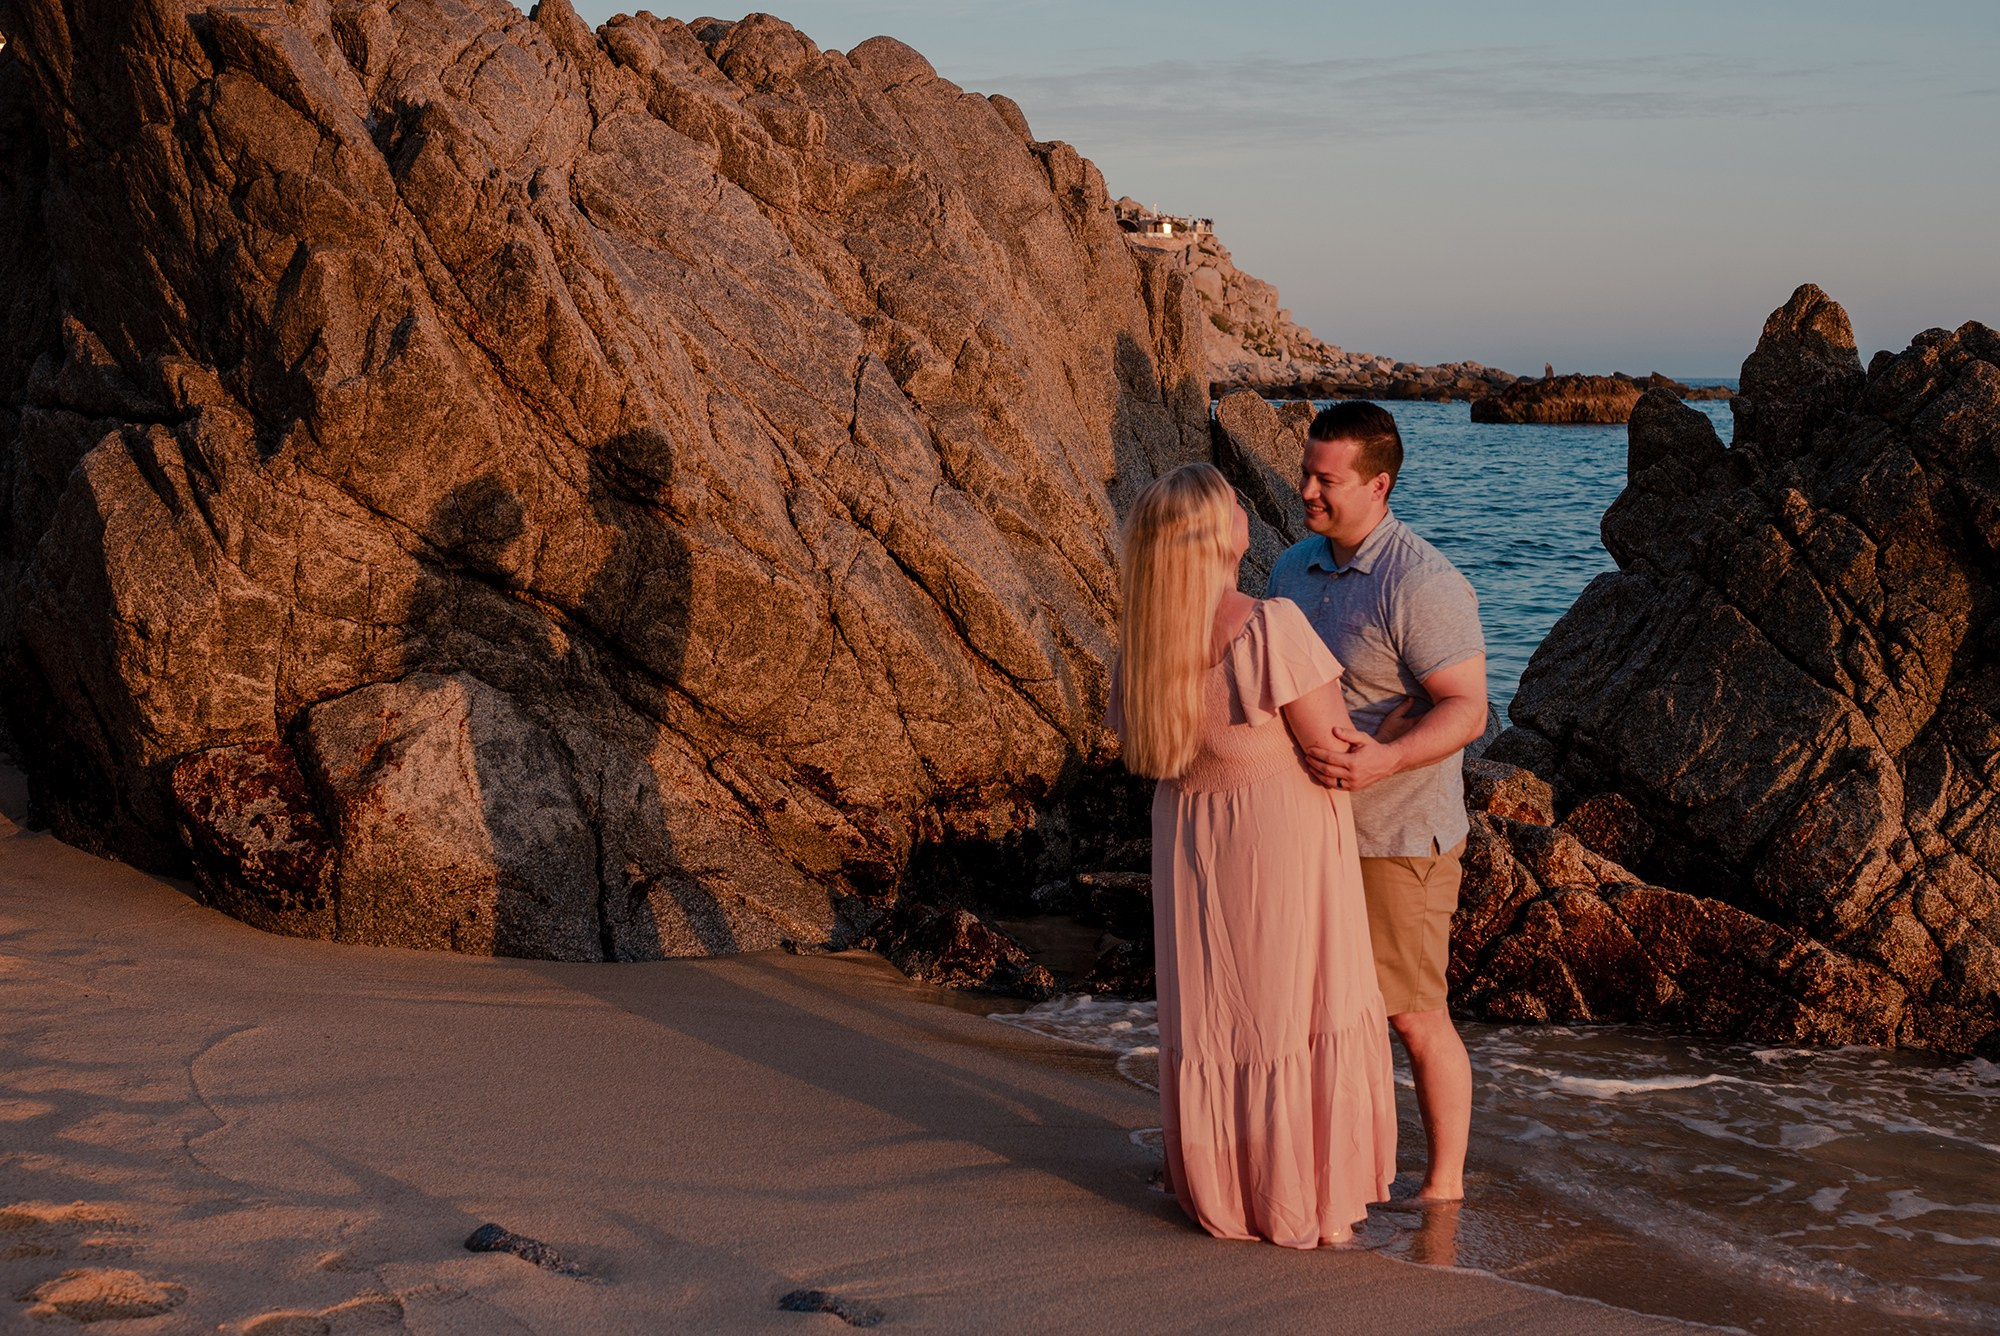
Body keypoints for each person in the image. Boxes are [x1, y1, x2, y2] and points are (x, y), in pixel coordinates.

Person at [1107, 462, 1396, 1248]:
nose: (1247, 508)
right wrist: (1408, 740)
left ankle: (1222, 1183)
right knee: (1288, 1009)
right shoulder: (1267, 626)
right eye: (1235, 502)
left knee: (1220, 1014)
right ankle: (1300, 1197)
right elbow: (1334, 748)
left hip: (1190, 839)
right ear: (1216, 534)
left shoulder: (1142, 647)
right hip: (1276, 841)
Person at [1265, 401, 1488, 1203]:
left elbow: (1468, 707)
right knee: (1316, 1014)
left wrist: (1388, 755)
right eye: (1305, 473)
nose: (1308, 491)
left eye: (1326, 480)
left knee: (1413, 1016)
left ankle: (1445, 1185)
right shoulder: (1290, 570)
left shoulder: (1422, 583)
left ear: (1379, 484)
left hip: (1398, 835)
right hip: (1307, 830)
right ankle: (1333, 1164)